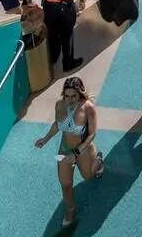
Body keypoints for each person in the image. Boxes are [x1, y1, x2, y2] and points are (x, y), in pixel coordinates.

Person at [33, 76, 104, 227]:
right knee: (65, 184)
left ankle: (98, 161)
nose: (70, 100)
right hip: (65, 149)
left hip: (83, 150)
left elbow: (92, 134)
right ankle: (70, 211)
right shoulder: (59, 105)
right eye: (67, 96)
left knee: (88, 176)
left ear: (80, 94)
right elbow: (57, 125)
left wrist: (76, 154)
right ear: (63, 95)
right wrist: (44, 139)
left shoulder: (88, 107)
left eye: (74, 96)